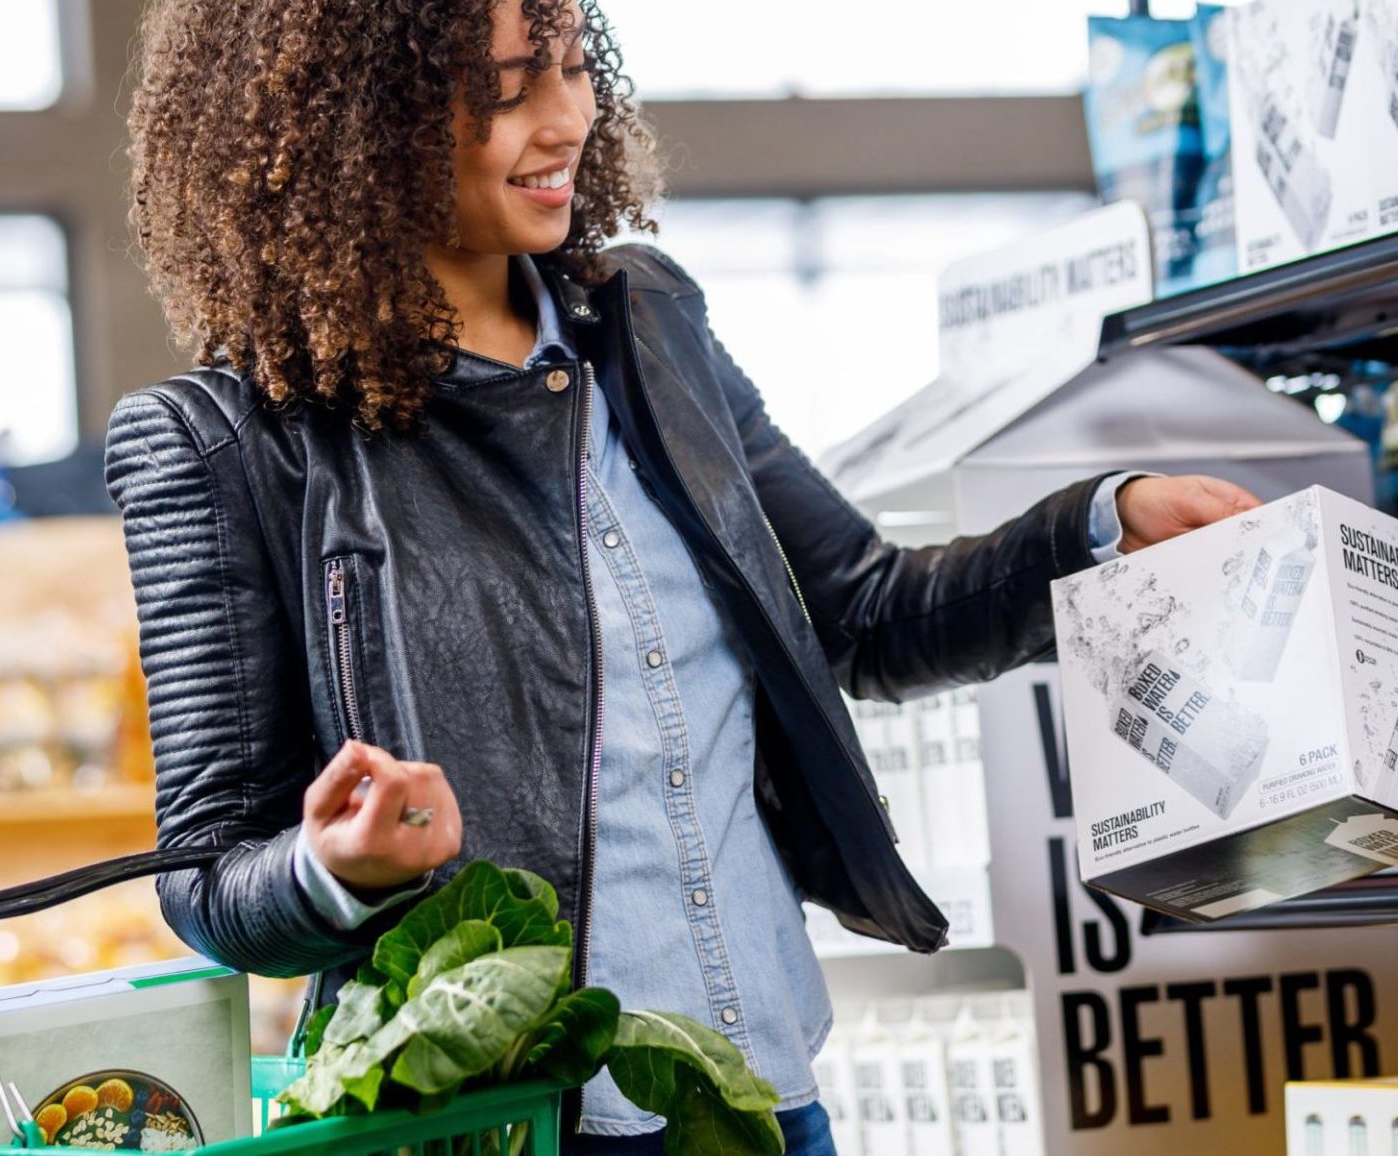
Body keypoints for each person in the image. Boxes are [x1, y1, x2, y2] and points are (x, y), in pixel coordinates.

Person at [107, 0, 1262, 1150]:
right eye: (508, 90)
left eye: (571, 68)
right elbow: (206, 876)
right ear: (353, 120)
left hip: (766, 1096)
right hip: (522, 1121)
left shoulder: (645, 326)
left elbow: (864, 611)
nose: (564, 118)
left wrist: (1098, 530)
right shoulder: (223, 446)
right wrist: (335, 868)